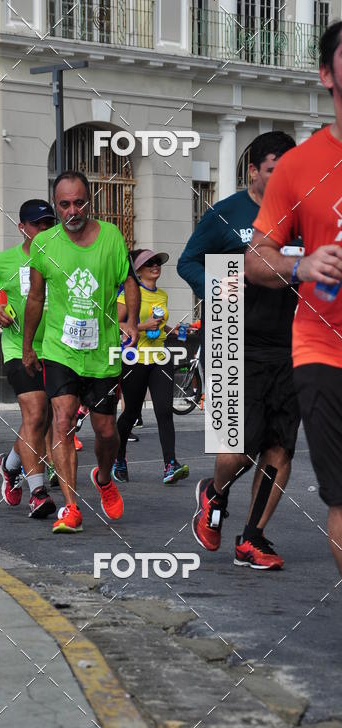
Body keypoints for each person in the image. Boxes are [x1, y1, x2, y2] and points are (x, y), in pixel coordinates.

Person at [245, 22, 342, 576]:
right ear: (326, 74)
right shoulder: (300, 167)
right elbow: (258, 257)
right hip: (321, 348)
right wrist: (301, 264)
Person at [188, 131, 300, 569]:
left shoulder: (301, 214)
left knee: (280, 447)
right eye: (275, 170)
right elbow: (188, 261)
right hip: (233, 338)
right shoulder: (227, 212)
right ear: (254, 170)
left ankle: (252, 538)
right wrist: (220, 292)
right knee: (238, 448)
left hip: (291, 343)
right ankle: (214, 494)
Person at [23, 170, 140, 533]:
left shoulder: (111, 237)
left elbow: (129, 281)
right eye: (64, 204)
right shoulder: (45, 245)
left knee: (106, 430)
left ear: (89, 202)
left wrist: (132, 321)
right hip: (61, 348)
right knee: (62, 420)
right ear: (56, 206)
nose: (72, 210)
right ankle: (71, 508)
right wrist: (28, 345)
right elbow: (37, 297)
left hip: (103, 350)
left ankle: (103, 477)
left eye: (79, 202)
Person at [0, 199, 57, 518]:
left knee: (45, 418)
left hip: (60, 349)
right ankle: (38, 492)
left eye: (50, 223)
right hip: (19, 348)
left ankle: (9, 466)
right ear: (22, 228)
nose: (45, 229)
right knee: (36, 413)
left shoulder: (63, 258)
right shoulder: (4, 261)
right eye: (38, 224)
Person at [113, 249, 189, 485]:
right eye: (149, 263)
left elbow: (159, 324)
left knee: (165, 411)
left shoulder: (163, 295)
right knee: (131, 412)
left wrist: (170, 330)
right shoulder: (128, 293)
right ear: (137, 270)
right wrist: (142, 326)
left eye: (157, 262)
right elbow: (117, 323)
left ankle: (170, 465)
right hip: (134, 356)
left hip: (160, 357)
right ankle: (118, 458)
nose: (155, 266)